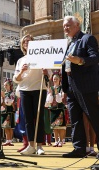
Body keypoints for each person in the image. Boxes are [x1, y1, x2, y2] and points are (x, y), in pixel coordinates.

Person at [62, 16, 99, 158]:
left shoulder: (87, 39)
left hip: (85, 85)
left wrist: (80, 60)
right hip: (71, 85)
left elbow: (95, 57)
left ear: (77, 25)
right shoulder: (69, 43)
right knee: (75, 119)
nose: (65, 28)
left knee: (93, 117)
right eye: (64, 26)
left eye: (68, 25)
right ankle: (79, 148)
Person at [13, 34, 52, 155]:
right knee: (29, 119)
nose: (27, 43)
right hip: (25, 90)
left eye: (29, 41)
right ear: (22, 45)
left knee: (39, 117)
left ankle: (40, 145)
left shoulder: (42, 57)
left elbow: (49, 75)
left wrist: (46, 72)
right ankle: (31, 145)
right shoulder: (21, 61)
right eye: (25, 42)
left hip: (39, 89)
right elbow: (16, 79)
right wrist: (22, 71)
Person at [46, 71, 66, 147]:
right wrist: (51, 94)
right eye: (54, 79)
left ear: (59, 80)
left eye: (56, 79)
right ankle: (56, 141)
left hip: (59, 109)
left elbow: (60, 100)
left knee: (60, 126)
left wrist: (57, 93)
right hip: (53, 109)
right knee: (54, 127)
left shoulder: (61, 88)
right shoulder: (51, 88)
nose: (55, 80)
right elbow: (49, 101)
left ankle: (61, 141)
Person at [1, 78, 15, 146]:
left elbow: (10, 102)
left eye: (6, 85)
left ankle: (10, 140)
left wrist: (4, 98)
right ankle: (7, 140)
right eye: (4, 85)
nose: (5, 86)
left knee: (10, 127)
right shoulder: (4, 93)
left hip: (10, 111)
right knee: (5, 126)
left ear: (10, 86)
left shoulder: (11, 93)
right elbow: (1, 103)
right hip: (4, 111)